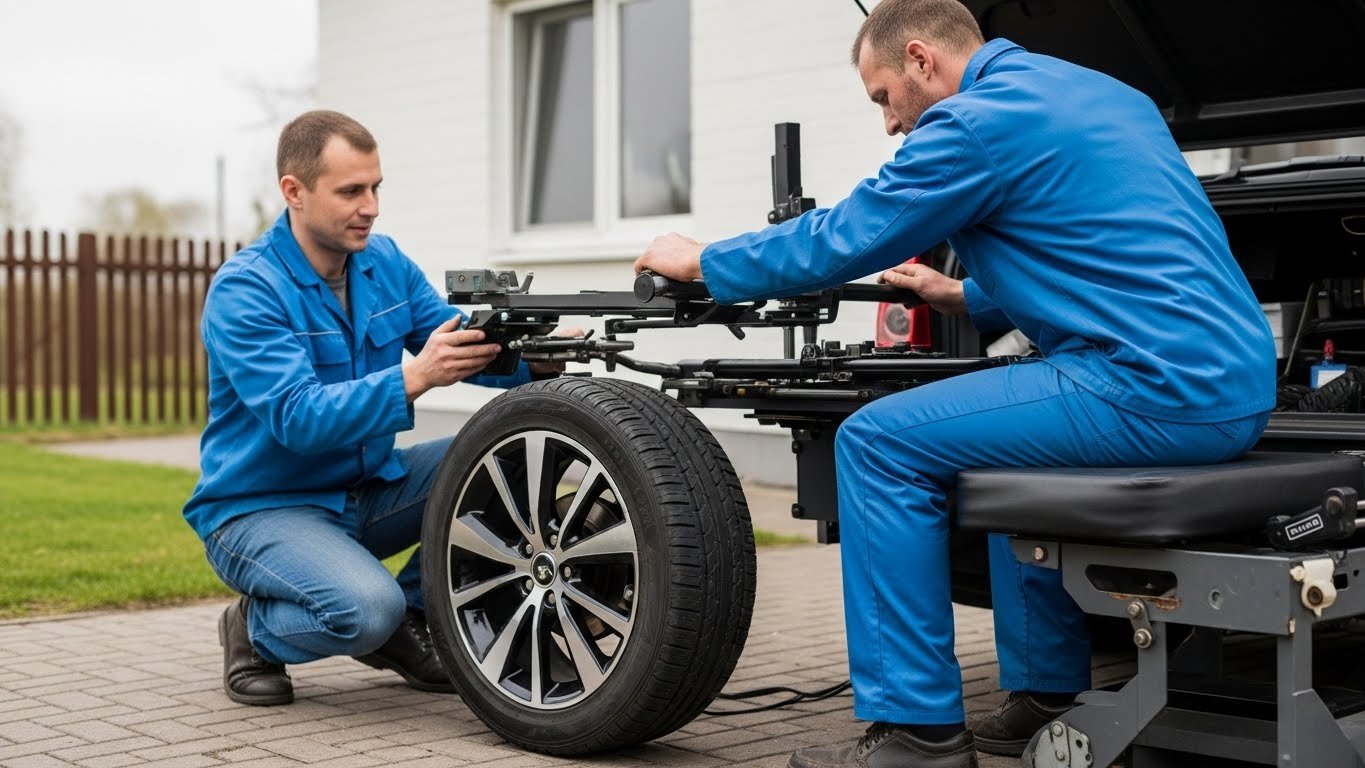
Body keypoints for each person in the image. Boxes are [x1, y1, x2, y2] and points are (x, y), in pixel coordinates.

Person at [635, 1, 1274, 766]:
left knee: (874, 442)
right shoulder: (1102, 94)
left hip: (1148, 386)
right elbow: (1101, 245)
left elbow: (846, 235)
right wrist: (964, 297)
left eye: (881, 98)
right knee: (1010, 448)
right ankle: (1046, 694)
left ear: (919, 60)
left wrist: (703, 260)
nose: (888, 124)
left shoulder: (975, 121)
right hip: (1230, 385)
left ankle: (916, 736)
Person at [184, 110, 562, 707]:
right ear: (294, 191)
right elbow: (297, 416)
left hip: (367, 488)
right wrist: (414, 377)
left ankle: (412, 614)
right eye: (351, 191)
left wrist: (531, 359)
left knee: (503, 450)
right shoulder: (246, 291)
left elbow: (455, 344)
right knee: (365, 611)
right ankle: (254, 629)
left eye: (376, 187)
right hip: (262, 510)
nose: (371, 207)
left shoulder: (383, 263)